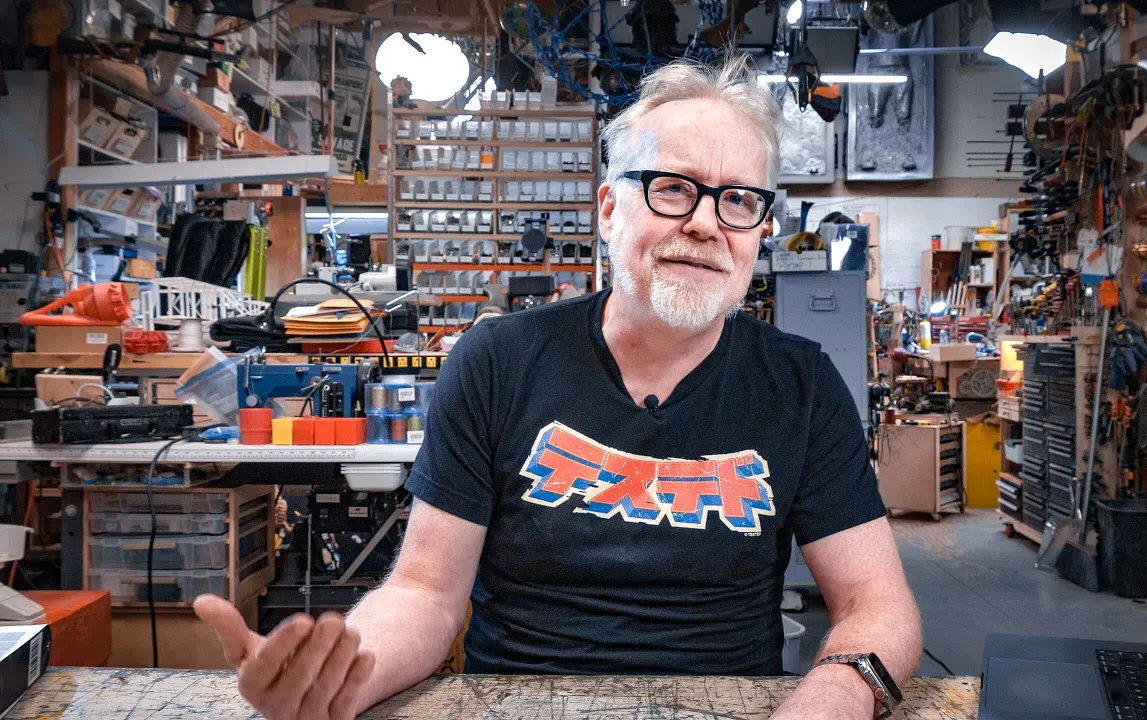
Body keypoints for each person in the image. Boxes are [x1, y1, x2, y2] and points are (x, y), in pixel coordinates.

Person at [195, 55, 923, 720]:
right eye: (674, 189)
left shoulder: (800, 384)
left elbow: (877, 606)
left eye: (738, 200)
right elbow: (425, 593)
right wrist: (342, 678)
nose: (706, 223)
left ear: (759, 229)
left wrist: (834, 696)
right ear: (609, 210)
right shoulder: (498, 361)